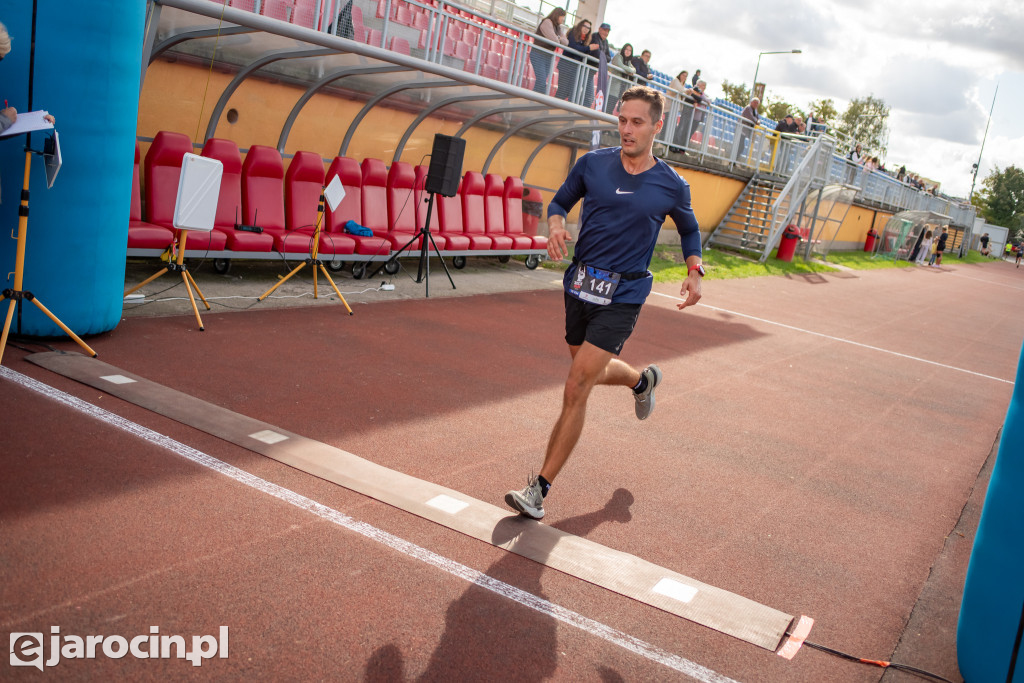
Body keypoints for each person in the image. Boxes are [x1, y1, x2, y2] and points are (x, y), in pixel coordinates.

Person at [504, 85, 703, 520]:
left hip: (625, 293)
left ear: (656, 126)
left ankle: (538, 489)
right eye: (622, 119)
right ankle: (641, 383)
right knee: (587, 369)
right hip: (580, 284)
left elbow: (689, 229)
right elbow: (559, 201)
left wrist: (694, 269)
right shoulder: (592, 165)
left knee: (577, 383)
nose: (627, 129)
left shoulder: (671, 184)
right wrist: (554, 224)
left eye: (637, 122)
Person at [529, 8, 568, 95]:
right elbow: (555, 41)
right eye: (562, 17)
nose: (563, 19)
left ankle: (532, 100)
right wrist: (559, 38)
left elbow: (566, 42)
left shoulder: (558, 27)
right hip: (538, 54)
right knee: (542, 81)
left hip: (548, 56)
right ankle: (537, 100)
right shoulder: (547, 22)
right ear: (557, 15)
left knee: (541, 82)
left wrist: (558, 38)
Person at [556, 19, 592, 101]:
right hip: (566, 66)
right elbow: (573, 47)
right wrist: (588, 48)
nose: (586, 29)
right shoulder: (574, 32)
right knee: (562, 91)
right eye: (585, 26)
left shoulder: (586, 40)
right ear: (580, 25)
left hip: (575, 70)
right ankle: (548, 108)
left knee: (571, 92)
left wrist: (587, 49)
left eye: (588, 28)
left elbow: (584, 52)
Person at [585, 22, 612, 107]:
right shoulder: (595, 37)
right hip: (586, 68)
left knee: (588, 96)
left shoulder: (605, 41)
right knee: (588, 95)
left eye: (608, 31)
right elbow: (596, 53)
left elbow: (609, 58)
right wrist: (603, 56)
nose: (606, 33)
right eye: (604, 30)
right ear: (599, 29)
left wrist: (602, 56)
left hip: (592, 70)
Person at [606, 42, 636, 113]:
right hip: (613, 89)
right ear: (623, 49)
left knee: (613, 110)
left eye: (630, 50)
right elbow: (620, 65)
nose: (628, 52)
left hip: (621, 90)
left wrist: (628, 70)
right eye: (626, 49)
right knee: (608, 109)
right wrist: (628, 70)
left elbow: (634, 70)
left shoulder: (628, 62)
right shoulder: (618, 56)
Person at [733, 96, 759, 161]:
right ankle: (733, 160)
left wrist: (758, 121)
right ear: (751, 102)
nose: (755, 104)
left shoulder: (755, 111)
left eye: (757, 103)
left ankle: (734, 160)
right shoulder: (748, 108)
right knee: (740, 146)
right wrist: (756, 121)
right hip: (741, 129)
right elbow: (750, 117)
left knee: (741, 146)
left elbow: (758, 118)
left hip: (744, 131)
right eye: (754, 103)